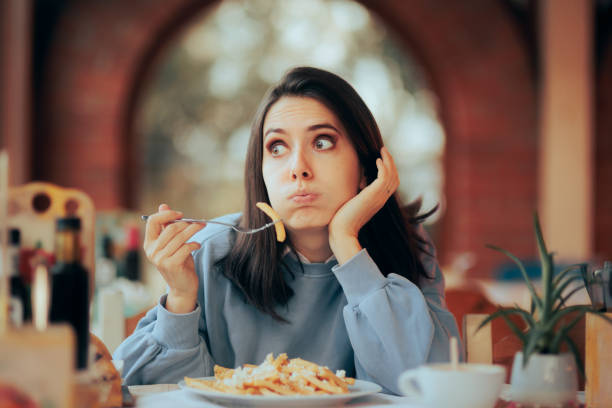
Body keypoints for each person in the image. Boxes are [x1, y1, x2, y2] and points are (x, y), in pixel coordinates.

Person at [113, 66, 460, 395]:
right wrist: (180, 302)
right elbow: (145, 395)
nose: (298, 169)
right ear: (260, 172)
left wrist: (346, 242)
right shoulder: (208, 253)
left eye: (322, 142)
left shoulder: (408, 247)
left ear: (365, 168)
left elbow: (427, 388)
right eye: (277, 147)